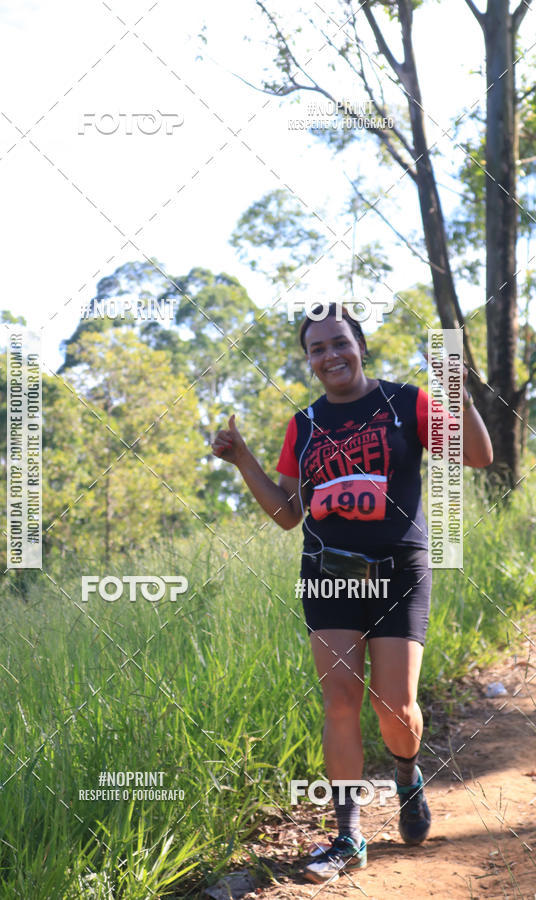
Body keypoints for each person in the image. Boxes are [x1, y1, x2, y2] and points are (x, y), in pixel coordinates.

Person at [211, 303, 493, 883]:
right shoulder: (305, 424)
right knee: (340, 699)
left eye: (340, 342)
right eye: (317, 348)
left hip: (399, 569)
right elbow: (288, 514)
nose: (330, 355)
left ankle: (408, 776)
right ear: (309, 361)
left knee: (395, 708)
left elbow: (478, 456)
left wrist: (458, 397)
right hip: (328, 572)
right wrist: (242, 459)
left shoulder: (405, 402)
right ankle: (348, 836)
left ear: (360, 346)